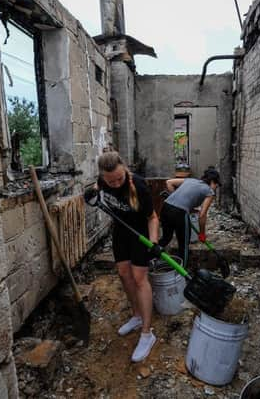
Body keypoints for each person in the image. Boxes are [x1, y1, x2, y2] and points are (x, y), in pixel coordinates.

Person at [94, 151, 159, 362]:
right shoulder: (103, 181)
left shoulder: (138, 186)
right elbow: (97, 188)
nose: (115, 184)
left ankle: (147, 334)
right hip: (121, 233)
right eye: (110, 180)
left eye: (119, 179)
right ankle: (137, 316)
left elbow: (153, 217)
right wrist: (92, 193)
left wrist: (154, 242)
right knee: (123, 274)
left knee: (140, 278)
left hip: (141, 235)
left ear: (124, 169)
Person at [158, 168, 220, 266]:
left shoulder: (191, 180)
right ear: (212, 181)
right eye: (216, 185)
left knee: (166, 238)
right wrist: (202, 234)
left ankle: (147, 258)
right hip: (180, 213)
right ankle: (183, 273)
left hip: (166, 208)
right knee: (184, 245)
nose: (215, 188)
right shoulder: (209, 191)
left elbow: (169, 182)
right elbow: (202, 215)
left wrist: (176, 198)